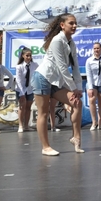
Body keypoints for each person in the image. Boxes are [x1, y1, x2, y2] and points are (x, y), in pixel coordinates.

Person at [31, 13, 84, 156]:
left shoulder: (71, 42)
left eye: (75, 23)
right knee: (43, 113)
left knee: (77, 103)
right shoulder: (57, 40)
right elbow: (62, 67)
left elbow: (76, 67)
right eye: (71, 23)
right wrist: (73, 88)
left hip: (56, 81)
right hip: (43, 77)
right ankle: (45, 147)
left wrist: (78, 89)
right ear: (62, 25)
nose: (74, 26)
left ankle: (76, 138)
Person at [15, 47, 38, 133]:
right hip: (21, 89)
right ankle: (20, 125)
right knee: (22, 106)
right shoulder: (19, 67)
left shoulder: (35, 65)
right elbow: (19, 80)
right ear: (23, 56)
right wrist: (22, 93)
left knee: (28, 107)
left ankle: (26, 125)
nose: (29, 57)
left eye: (30, 55)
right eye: (27, 55)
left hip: (30, 89)